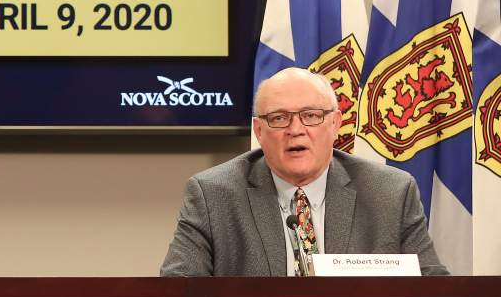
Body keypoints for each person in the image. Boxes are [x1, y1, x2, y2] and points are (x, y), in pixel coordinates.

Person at [160, 67, 447, 276]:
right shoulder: (213, 195)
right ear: (259, 131)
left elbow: (437, 292)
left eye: (311, 116)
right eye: (279, 118)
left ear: (335, 123)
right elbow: (177, 291)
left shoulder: (390, 192)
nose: (296, 130)